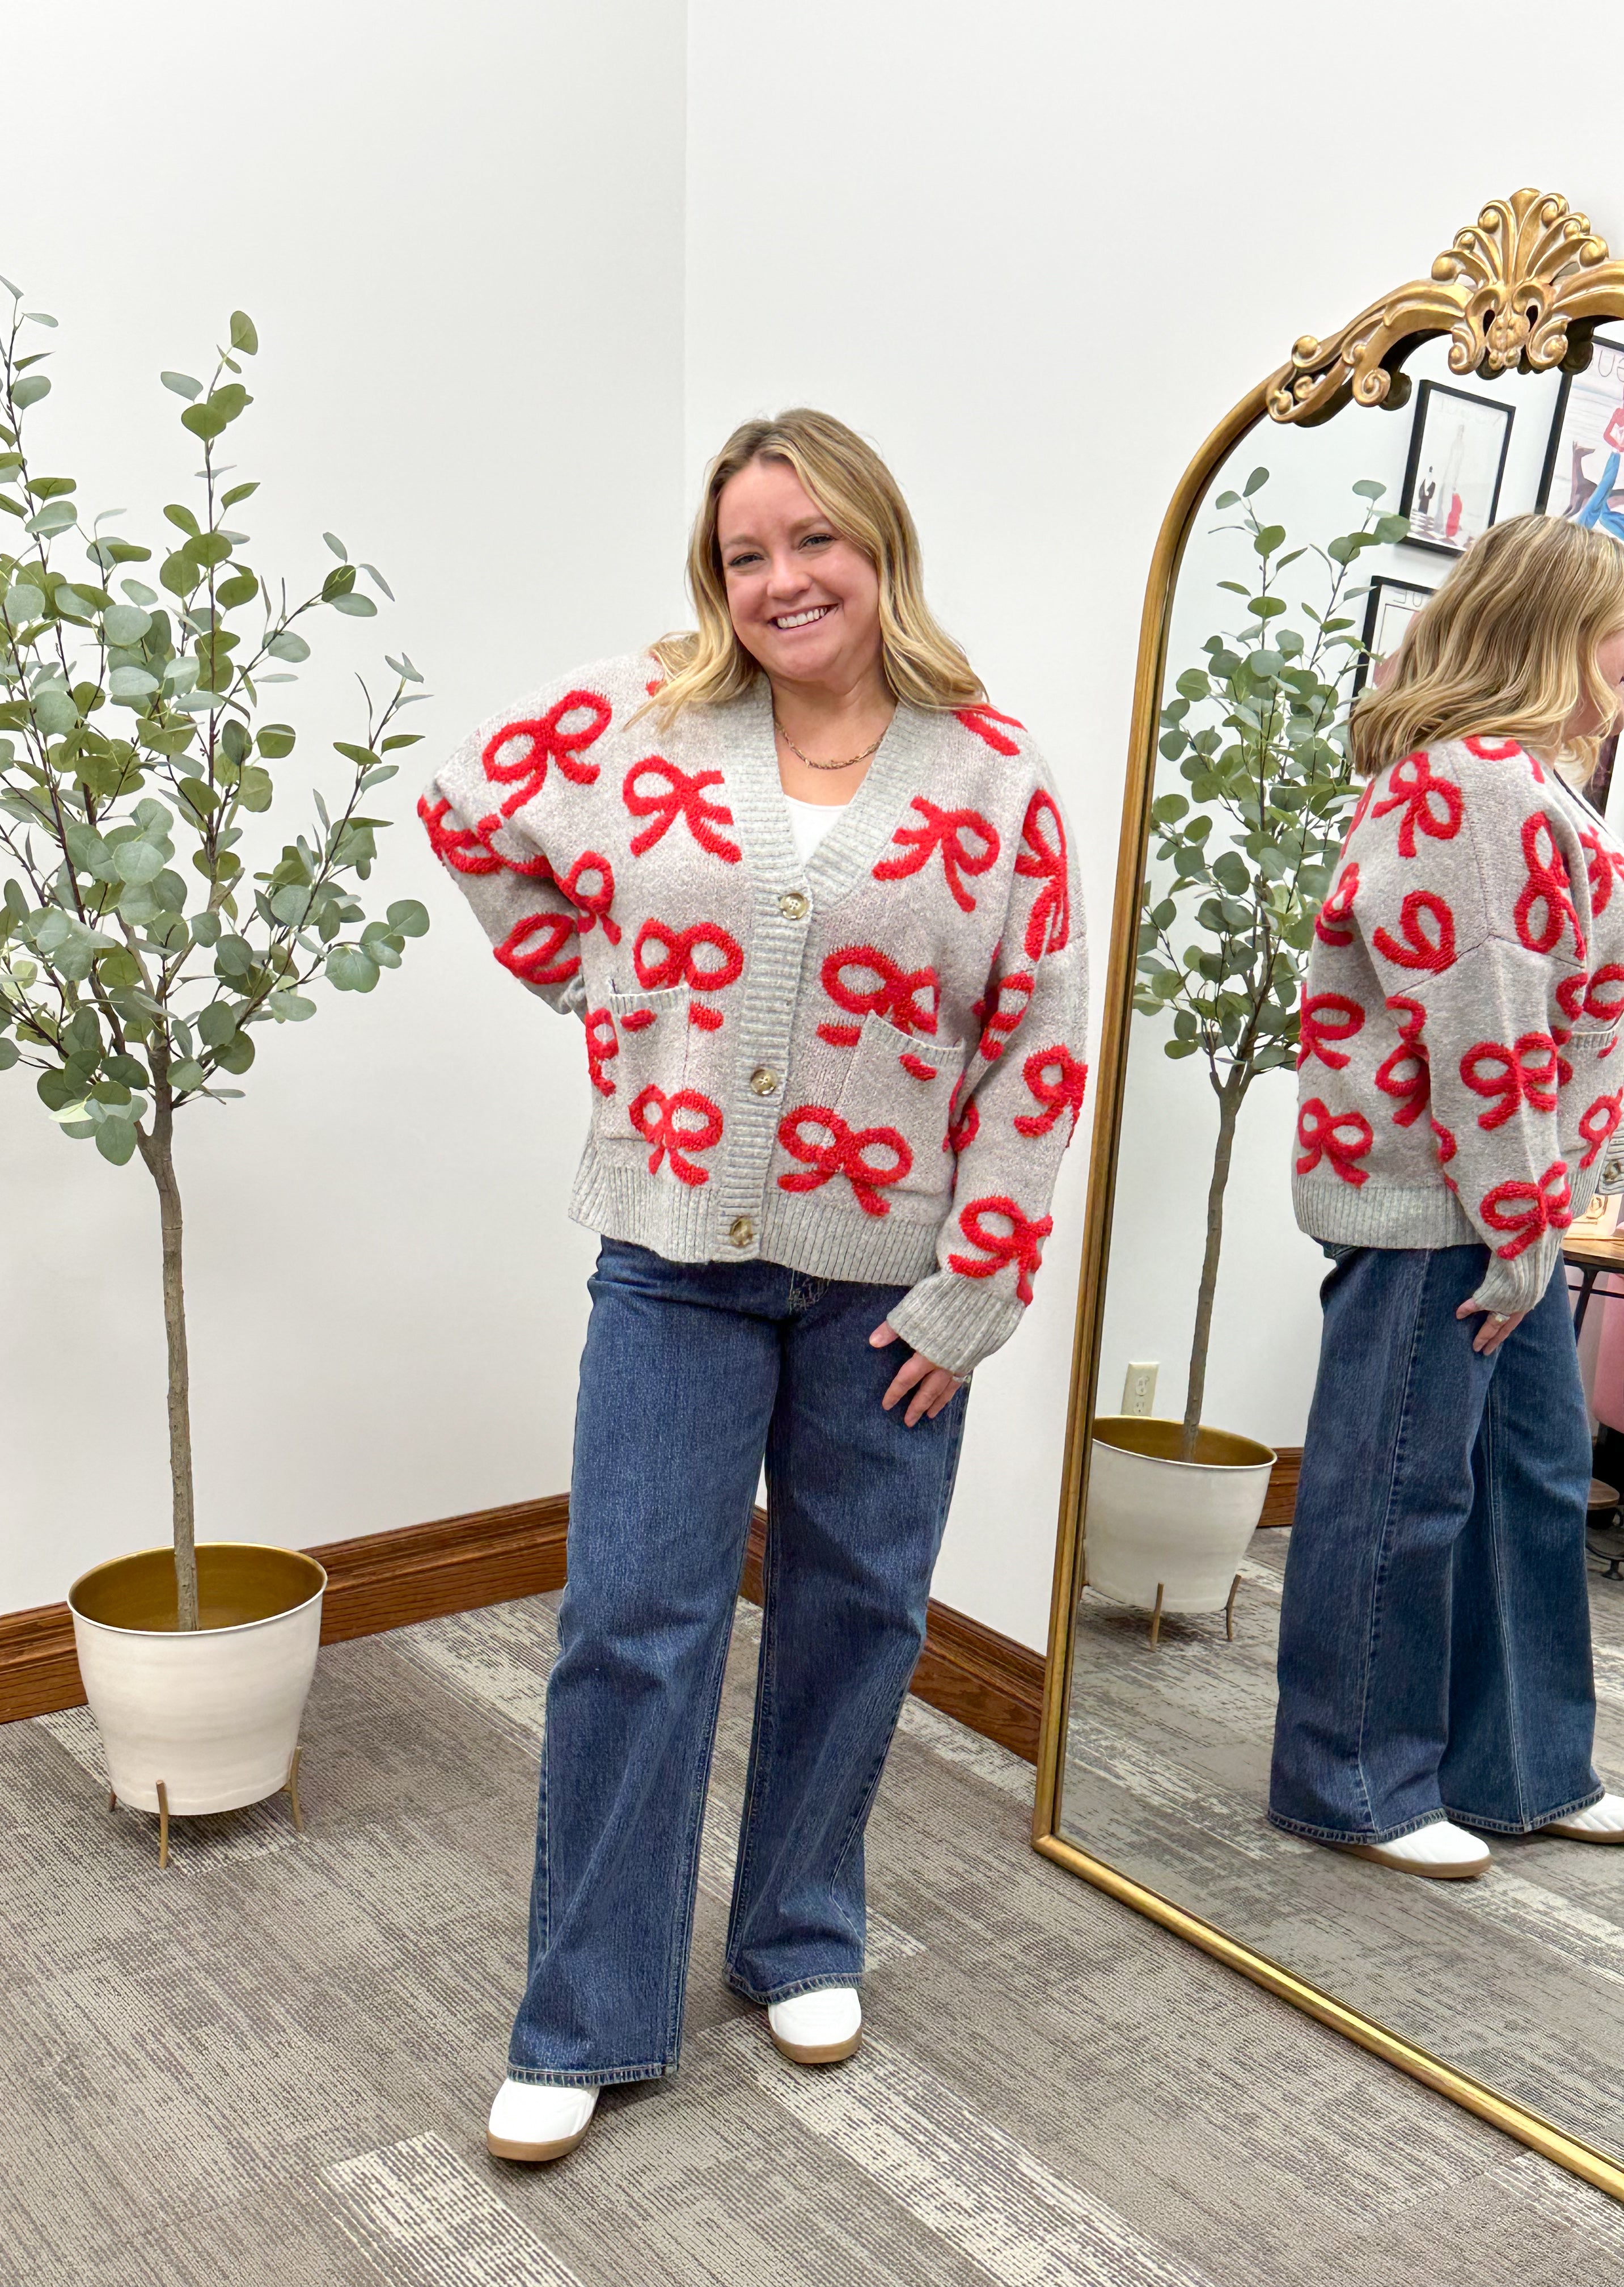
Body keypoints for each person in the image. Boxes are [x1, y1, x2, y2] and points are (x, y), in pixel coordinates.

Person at [421, 409, 1088, 2157]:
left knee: (858, 1620)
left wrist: (980, 1288)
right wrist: (614, 998)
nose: (783, 579)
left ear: (881, 546)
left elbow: (1036, 1038)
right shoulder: (654, 722)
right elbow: (469, 804)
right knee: (632, 1631)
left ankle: (799, 1933)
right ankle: (585, 2015)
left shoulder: (994, 771)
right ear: (712, 578)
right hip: (675, 1265)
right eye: (744, 554)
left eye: (815, 541)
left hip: (889, 1289)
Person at [1272, 512, 1624, 1878]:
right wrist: (1522, 1221)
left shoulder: (1532, 786)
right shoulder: (1470, 785)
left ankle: (1522, 1768)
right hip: (1444, 1207)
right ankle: (1350, 1780)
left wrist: (1535, 1210)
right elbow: (1484, 1018)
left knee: (1531, 1480)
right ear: (1556, 639)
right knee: (1398, 1492)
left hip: (1505, 1206)